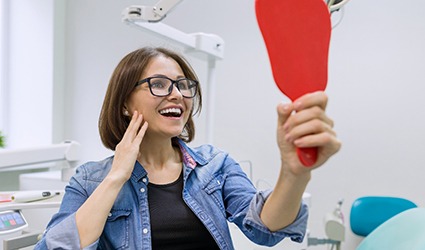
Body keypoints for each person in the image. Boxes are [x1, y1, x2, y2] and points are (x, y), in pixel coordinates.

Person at [34, 47, 340, 250]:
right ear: (126, 103)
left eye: (183, 85)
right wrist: (117, 176)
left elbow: (264, 228)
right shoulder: (90, 180)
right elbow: (58, 246)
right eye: (159, 84)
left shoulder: (214, 165)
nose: (177, 95)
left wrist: (294, 173)